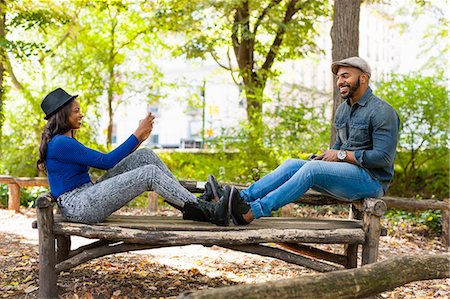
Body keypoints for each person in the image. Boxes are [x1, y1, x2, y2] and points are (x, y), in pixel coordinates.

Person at [226, 57, 400, 225]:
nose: (340, 82)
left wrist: (340, 155)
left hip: (372, 181)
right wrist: (325, 157)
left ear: (363, 78)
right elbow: (339, 147)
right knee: (292, 164)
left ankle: (251, 212)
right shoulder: (343, 110)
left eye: (345, 76)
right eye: (338, 77)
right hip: (347, 175)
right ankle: (239, 199)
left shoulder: (382, 111)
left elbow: (383, 158)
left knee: (312, 169)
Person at [37, 87, 230, 226]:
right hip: (79, 205)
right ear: (63, 116)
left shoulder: (63, 141)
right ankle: (205, 210)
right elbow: (106, 162)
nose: (81, 114)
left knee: (144, 156)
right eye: (76, 111)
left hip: (86, 196)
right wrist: (137, 133)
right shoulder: (61, 143)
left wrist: (139, 140)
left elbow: (109, 161)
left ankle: (193, 206)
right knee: (149, 174)